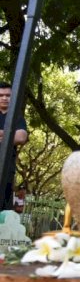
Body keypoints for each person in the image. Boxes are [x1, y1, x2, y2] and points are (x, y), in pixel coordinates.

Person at [0, 82, 28, 211]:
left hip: (6, 169)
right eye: (1, 95)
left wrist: (3, 135)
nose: (4, 98)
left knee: (3, 210)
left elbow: (21, 137)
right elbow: (14, 136)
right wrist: (9, 135)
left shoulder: (16, 117)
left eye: (8, 95)